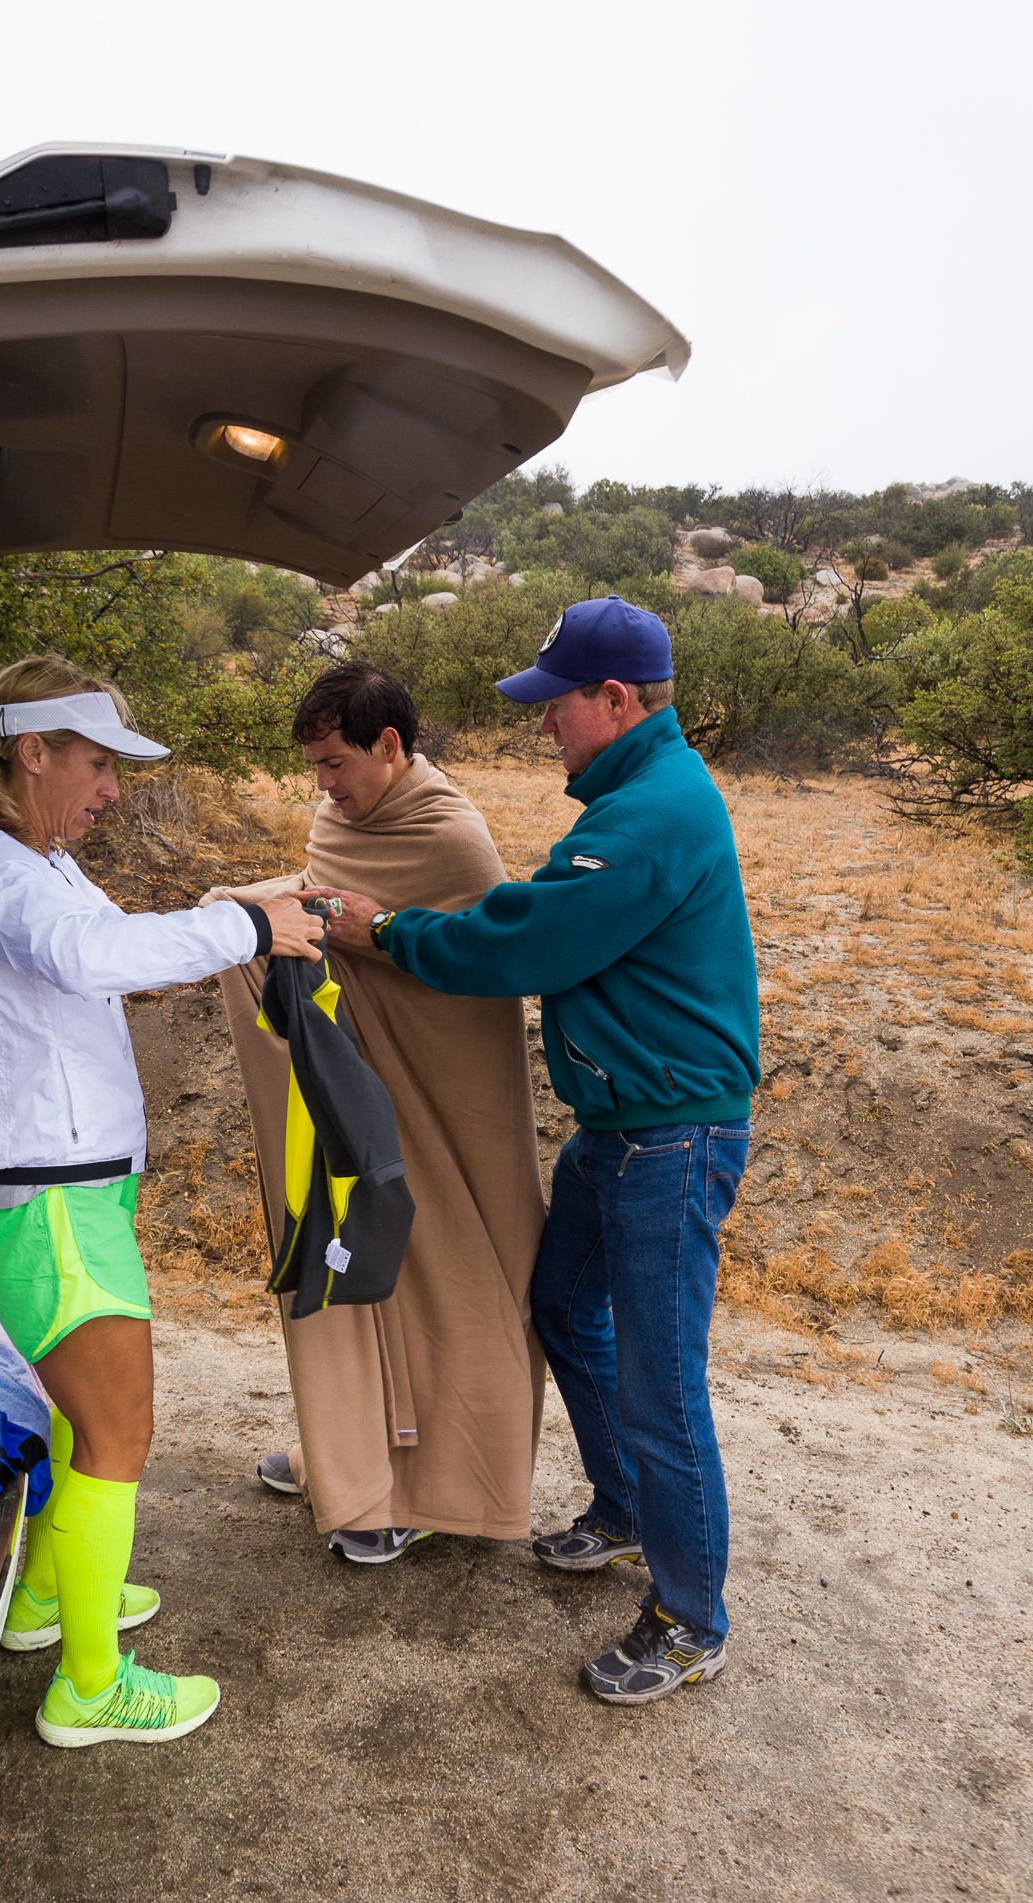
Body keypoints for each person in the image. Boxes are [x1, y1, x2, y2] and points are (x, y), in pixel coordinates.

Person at [311, 598, 759, 1702]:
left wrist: (390, 931)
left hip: (671, 1139)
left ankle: (691, 1616)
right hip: (623, 1131)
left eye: (554, 705)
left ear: (614, 701)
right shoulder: (631, 794)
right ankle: (617, 1510)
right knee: (560, 1309)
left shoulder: (649, 813)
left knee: (661, 1383)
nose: (540, 725)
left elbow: (526, 937)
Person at [0, 654, 324, 1747]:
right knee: (119, 1431)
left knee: (79, 1418)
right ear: (31, 750)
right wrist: (247, 931)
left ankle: (51, 1603)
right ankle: (90, 1689)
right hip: (50, 1203)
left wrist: (244, 901)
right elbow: (94, 955)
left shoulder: (32, 857)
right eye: (97, 765)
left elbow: (119, 936)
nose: (111, 790)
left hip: (66, 1195)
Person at [201, 663, 546, 1564]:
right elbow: (327, 917)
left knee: (454, 1279)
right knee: (350, 1265)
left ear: (390, 746)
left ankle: (440, 1494)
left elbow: (471, 971)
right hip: (363, 1086)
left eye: (334, 763)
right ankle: (352, 1464)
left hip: (445, 1101)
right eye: (313, 766)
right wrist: (240, 913)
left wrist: (359, 930)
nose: (322, 784)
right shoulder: (339, 819)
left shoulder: (453, 839)